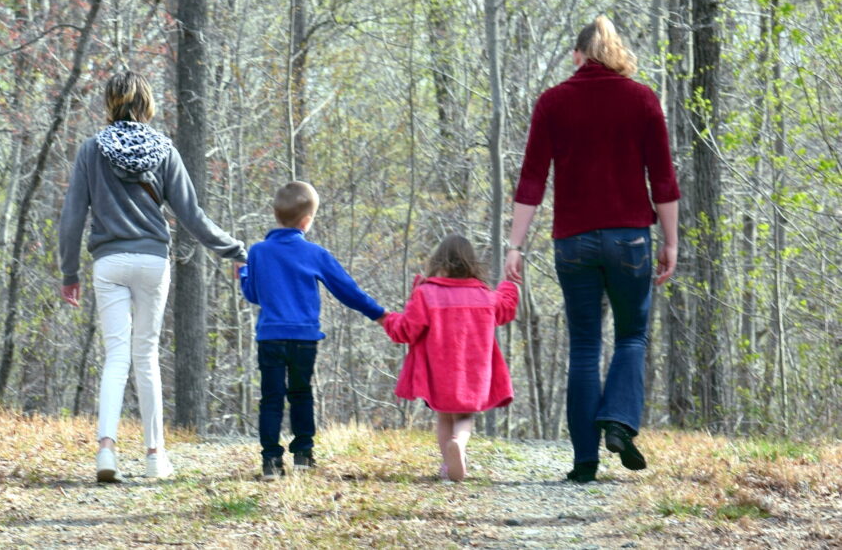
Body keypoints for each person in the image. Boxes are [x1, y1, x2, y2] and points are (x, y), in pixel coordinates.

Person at [504, 16, 680, 483]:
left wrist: (515, 245)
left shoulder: (553, 102)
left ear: (579, 56)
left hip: (574, 240)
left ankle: (584, 462)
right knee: (631, 336)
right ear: (616, 52)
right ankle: (619, 421)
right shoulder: (642, 99)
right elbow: (662, 179)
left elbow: (531, 180)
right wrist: (671, 241)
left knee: (584, 347)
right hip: (630, 239)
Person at [59, 71, 247, 483]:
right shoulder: (164, 150)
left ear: (110, 103)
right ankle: (153, 454)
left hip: (108, 263)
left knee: (116, 357)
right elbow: (192, 217)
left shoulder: (92, 151)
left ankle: (106, 450)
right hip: (151, 262)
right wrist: (234, 249)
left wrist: (69, 272)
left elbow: (73, 216)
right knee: (145, 357)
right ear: (146, 104)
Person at [238, 181, 386, 481]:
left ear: (276, 215)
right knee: (301, 394)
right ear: (307, 221)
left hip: (271, 337)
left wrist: (243, 273)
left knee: (271, 398)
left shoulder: (258, 252)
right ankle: (303, 455)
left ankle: (270, 462)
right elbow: (347, 290)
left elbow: (254, 295)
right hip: (304, 338)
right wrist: (379, 314)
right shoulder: (315, 253)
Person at [380, 234, 518, 482]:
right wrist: (509, 282)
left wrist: (386, 318)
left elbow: (406, 330)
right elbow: (506, 308)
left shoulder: (427, 294)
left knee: (444, 415)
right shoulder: (484, 295)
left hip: (439, 371)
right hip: (475, 372)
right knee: (465, 417)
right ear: (471, 263)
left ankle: (447, 465)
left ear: (439, 261)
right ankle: (460, 445)